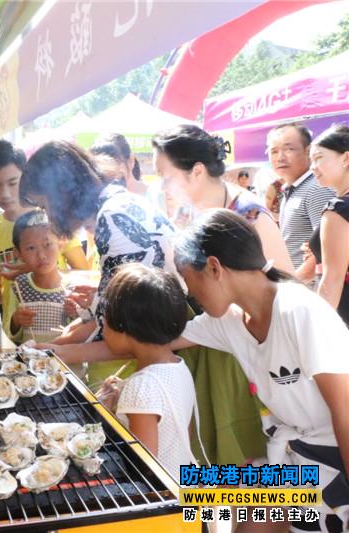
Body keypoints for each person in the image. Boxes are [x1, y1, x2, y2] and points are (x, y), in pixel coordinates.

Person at [175, 210, 349, 532]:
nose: (190, 294)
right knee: (193, 484)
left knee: (217, 497)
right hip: (293, 463)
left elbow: (346, 412)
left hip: (334, 464)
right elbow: (160, 338)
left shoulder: (298, 311)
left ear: (214, 268)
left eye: (189, 281)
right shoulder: (228, 322)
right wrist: (61, 349)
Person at [19, 140, 175, 384]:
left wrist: (56, 351)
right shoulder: (117, 203)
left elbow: (128, 335)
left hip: (165, 360)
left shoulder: (113, 219)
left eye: (44, 205)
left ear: (62, 193)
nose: (47, 217)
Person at [0, 140, 89, 312]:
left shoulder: (53, 221)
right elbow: (0, 295)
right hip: (16, 332)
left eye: (12, 182)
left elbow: (85, 274)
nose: (5, 193)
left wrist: (40, 270)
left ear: (26, 177)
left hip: (60, 328)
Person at [98, 263, 198, 483]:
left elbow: (142, 466)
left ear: (126, 326)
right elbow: (177, 434)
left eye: (105, 319)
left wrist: (106, 418)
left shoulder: (141, 386)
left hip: (162, 498)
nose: (102, 326)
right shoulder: (179, 366)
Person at [152, 125, 294, 274]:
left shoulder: (251, 216)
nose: (162, 187)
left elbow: (288, 283)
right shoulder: (183, 212)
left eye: (166, 177)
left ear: (197, 172)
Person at [267, 122, 334, 273]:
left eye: (289, 149)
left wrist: (296, 283)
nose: (280, 157)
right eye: (274, 151)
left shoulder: (317, 188)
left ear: (308, 151)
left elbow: (327, 247)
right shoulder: (290, 189)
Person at [7, 210, 71, 344]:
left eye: (48, 245)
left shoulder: (73, 287)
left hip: (62, 362)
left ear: (60, 243)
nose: (41, 255)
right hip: (31, 362)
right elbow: (10, 334)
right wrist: (16, 320)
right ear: (18, 253)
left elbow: (82, 334)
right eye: (31, 248)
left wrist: (76, 314)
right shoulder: (18, 286)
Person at [308, 124, 349, 325]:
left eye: (318, 158)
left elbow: (332, 281)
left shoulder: (338, 210)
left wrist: (316, 330)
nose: (312, 167)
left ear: (346, 158)